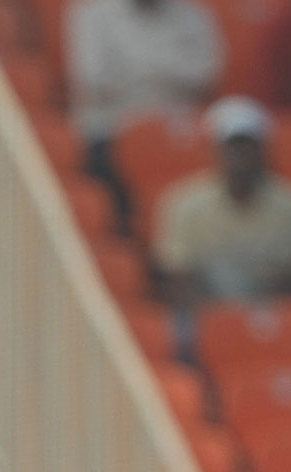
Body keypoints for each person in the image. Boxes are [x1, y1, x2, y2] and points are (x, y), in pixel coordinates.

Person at [66, 0, 223, 232]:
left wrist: (133, 68)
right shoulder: (91, 14)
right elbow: (94, 81)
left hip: (175, 132)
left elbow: (205, 75)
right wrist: (167, 73)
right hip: (112, 130)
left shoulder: (194, 15)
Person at [154, 95, 291, 310]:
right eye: (232, 146)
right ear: (215, 150)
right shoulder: (183, 203)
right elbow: (177, 274)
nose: (240, 155)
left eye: (248, 145)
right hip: (205, 311)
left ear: (263, 150)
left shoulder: (286, 205)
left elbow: (285, 281)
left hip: (272, 313)